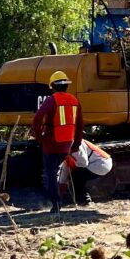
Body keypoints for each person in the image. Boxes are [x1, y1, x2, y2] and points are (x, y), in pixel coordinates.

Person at [31, 70, 84, 213]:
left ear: (52, 86)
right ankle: (63, 198)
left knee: (51, 173)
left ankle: (56, 203)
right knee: (58, 172)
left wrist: (39, 137)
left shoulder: (51, 100)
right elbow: (79, 125)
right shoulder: (75, 101)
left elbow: (37, 118)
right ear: (66, 85)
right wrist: (76, 144)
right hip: (67, 144)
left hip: (51, 143)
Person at [58, 140, 113, 206]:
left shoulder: (74, 143)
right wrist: (62, 185)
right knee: (75, 176)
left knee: (75, 176)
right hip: (99, 164)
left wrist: (74, 170)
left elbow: (83, 162)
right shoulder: (67, 149)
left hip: (100, 163)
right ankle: (81, 200)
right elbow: (65, 169)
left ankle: (84, 201)